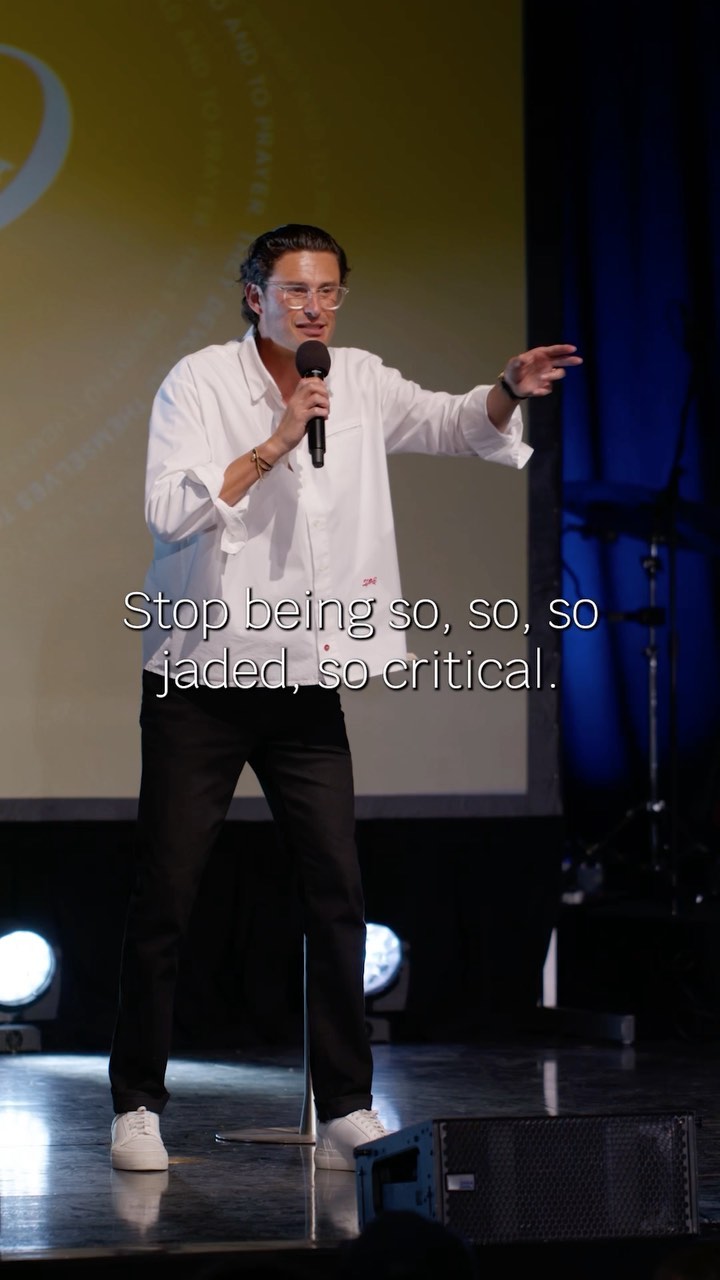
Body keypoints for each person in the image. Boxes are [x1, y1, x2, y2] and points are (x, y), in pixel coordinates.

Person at [108, 223, 581, 1174]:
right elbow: (170, 511)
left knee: (336, 893)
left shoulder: (356, 377)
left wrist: (505, 387)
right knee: (168, 896)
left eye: (327, 290)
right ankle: (137, 1106)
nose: (314, 307)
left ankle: (345, 1107)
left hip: (306, 679)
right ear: (255, 296)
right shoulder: (198, 382)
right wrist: (278, 440)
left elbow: (452, 422)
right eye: (295, 290)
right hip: (203, 675)